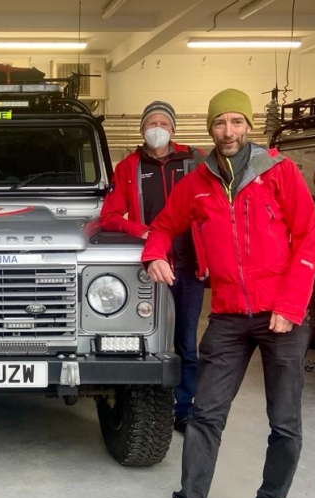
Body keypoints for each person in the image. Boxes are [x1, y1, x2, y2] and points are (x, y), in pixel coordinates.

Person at [139, 89, 315, 498]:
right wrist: (154, 255)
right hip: (228, 315)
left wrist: (290, 305)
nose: (228, 131)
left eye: (237, 122)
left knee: (284, 419)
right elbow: (163, 225)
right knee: (205, 415)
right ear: (210, 129)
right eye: (221, 123)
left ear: (249, 126)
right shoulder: (197, 181)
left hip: (281, 314)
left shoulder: (278, 172)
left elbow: (307, 237)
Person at [100, 100, 206, 433]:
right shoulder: (128, 167)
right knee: (148, 341)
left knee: (187, 342)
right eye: (150, 123)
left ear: (173, 128)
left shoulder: (195, 161)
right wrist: (142, 231)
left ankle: (185, 408)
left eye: (163, 122)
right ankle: (151, 407)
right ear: (142, 129)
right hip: (151, 266)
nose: (156, 128)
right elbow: (110, 217)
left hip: (188, 265)